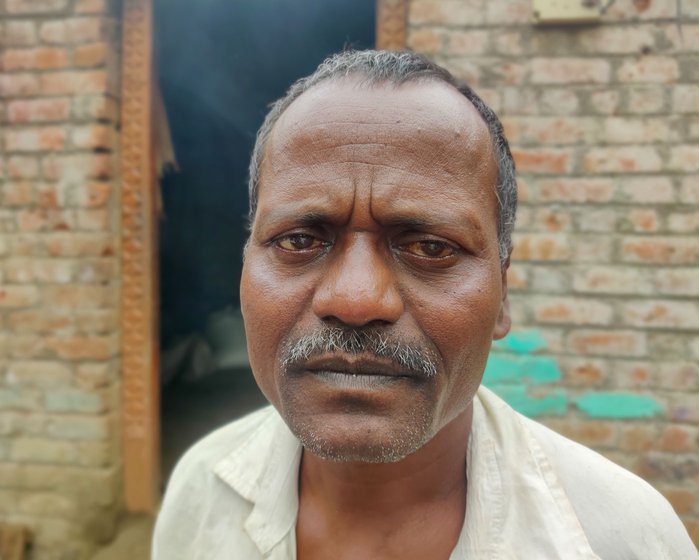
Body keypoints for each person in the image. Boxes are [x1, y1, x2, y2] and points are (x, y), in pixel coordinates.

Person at [152, 50, 697, 559]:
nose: (355, 299)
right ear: (246, 268)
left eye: (431, 248)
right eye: (299, 241)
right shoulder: (201, 494)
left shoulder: (623, 538)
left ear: (502, 293)